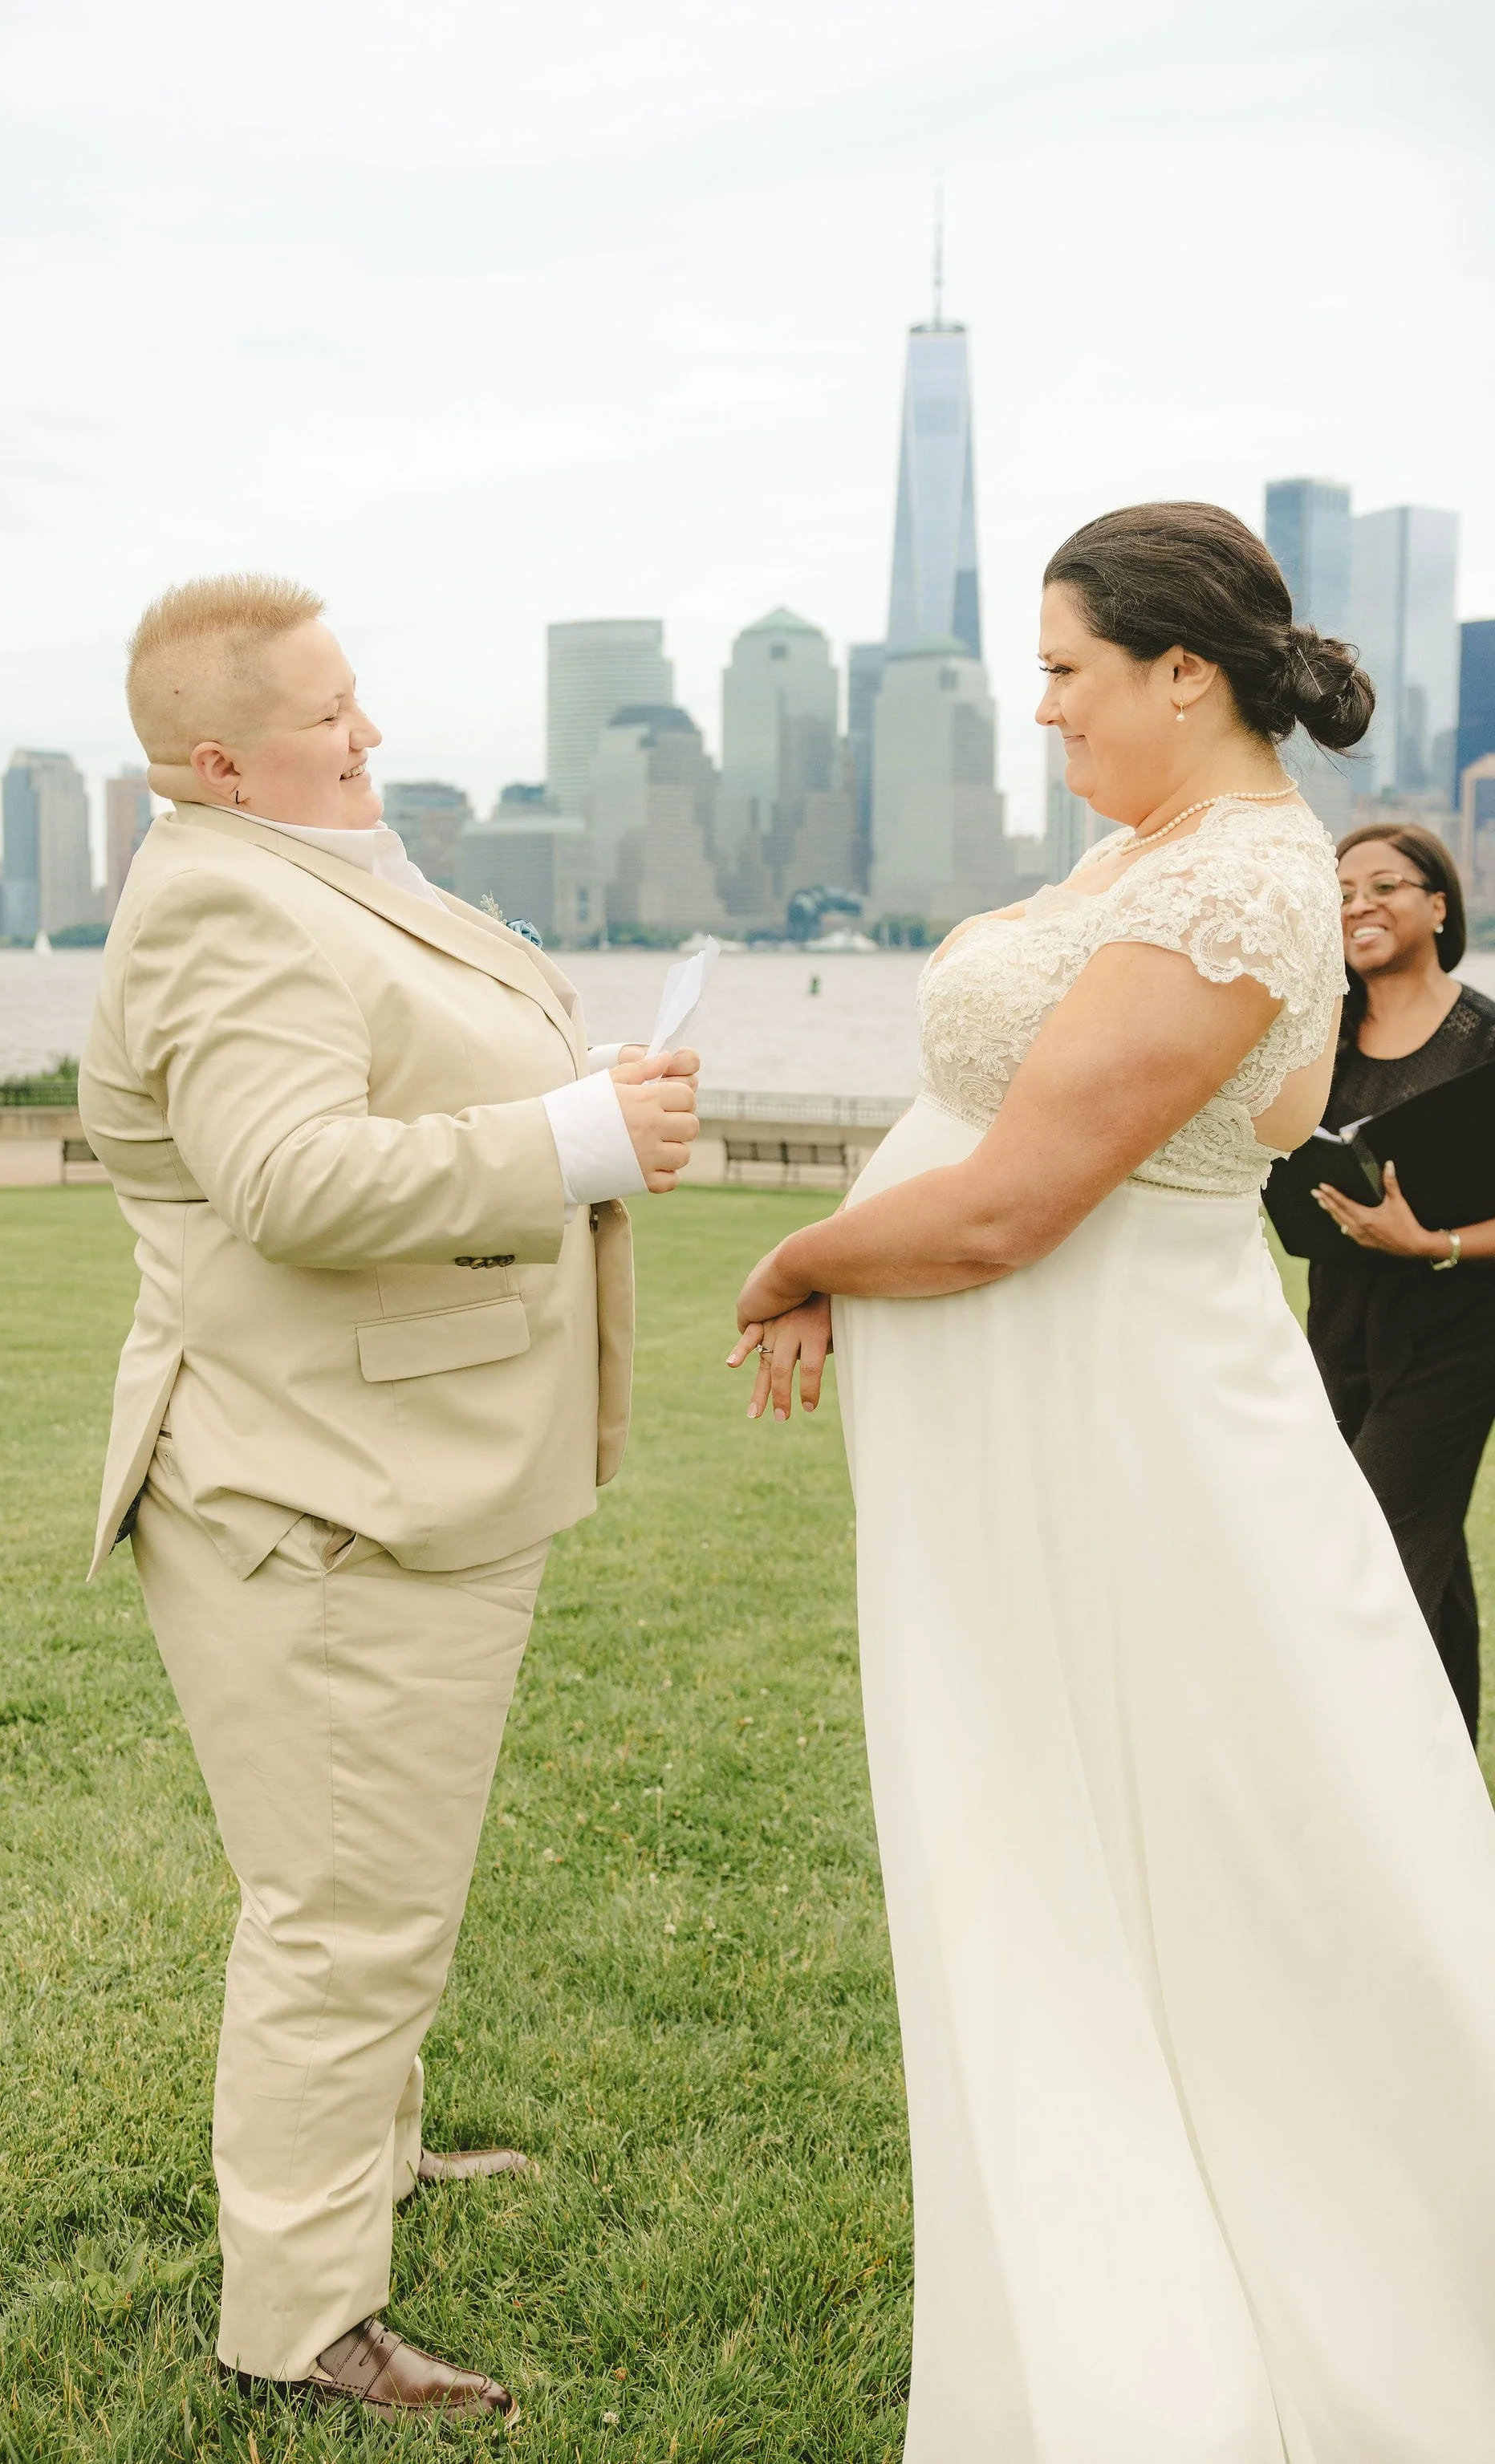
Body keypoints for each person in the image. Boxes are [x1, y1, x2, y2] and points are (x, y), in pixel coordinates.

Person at [729, 505, 1495, 2460]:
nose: (1045, 709)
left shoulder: (1242, 883)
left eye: (1066, 669)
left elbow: (1006, 1206)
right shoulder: (1146, 849)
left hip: (1126, 1446)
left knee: (1193, 1853)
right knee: (1072, 1848)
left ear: (1183, 669)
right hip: (1046, 1439)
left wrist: (801, 1257)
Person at [79, 575, 700, 2427]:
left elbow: (403, 1075)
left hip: (391, 1458)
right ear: (217, 758)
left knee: (384, 1885)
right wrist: (579, 1136)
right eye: (326, 714)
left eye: (359, 695)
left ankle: (362, 2159)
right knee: (341, 1905)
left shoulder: (310, 865)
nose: (366, 734)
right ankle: (300, 2311)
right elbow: (288, 1177)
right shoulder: (221, 901)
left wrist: (572, 1091)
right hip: (315, 1485)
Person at [1307, 824, 1495, 1742]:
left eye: (1383, 884)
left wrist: (1435, 1243)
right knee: (1425, 1544)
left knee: (1369, 1536)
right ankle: (1451, 1764)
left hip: (1457, 1329)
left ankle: (1375, 1762)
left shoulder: (1486, 1040)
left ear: (1436, 904)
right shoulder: (1318, 1042)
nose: (1357, 904)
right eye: (1340, 891)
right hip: (1336, 1322)